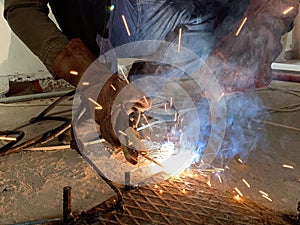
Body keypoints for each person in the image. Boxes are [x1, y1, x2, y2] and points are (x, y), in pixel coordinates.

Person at [3, 0, 299, 164]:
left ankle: (163, 91)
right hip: (103, 18)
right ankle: (117, 93)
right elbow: (23, 5)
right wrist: (87, 75)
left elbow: (278, 5)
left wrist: (257, 33)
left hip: (188, 16)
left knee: (178, 97)